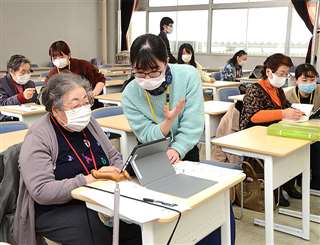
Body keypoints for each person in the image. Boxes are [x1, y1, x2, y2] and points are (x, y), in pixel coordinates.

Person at [14, 73, 141, 245]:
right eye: (75, 105)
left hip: (99, 197)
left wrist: (120, 171)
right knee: (100, 235)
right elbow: (41, 191)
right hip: (57, 208)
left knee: (135, 226)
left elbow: (113, 156)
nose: (83, 109)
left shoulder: (89, 123)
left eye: (85, 102)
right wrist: (90, 179)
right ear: (56, 110)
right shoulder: (39, 136)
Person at [240, 53, 304, 206]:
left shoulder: (278, 90)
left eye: (286, 74)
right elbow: (253, 117)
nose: (284, 77)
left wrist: (297, 111)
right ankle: (276, 189)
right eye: (281, 73)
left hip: (273, 131)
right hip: (255, 135)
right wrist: (283, 113)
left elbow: (286, 106)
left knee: (296, 148)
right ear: (269, 72)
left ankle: (288, 183)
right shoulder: (254, 89)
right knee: (282, 150)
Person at [285, 63, 320, 190]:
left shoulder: (319, 91)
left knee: (317, 144)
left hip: (314, 130)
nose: (309, 83)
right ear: (296, 80)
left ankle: (316, 179)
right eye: (304, 80)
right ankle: (297, 178)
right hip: (295, 130)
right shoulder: (288, 95)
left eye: (312, 80)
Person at [45, 40, 106, 109]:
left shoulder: (83, 65)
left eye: (61, 56)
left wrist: (94, 93)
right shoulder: (53, 73)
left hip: (88, 104)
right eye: (54, 57)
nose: (58, 59)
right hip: (67, 107)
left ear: (69, 55)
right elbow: (47, 92)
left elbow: (100, 79)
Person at [0, 55, 38, 121]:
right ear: (11, 71)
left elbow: (35, 103)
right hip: (8, 119)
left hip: (28, 117)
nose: (26, 74)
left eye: (28, 71)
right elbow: (2, 104)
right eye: (23, 71)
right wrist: (21, 97)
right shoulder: (2, 84)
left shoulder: (30, 83)